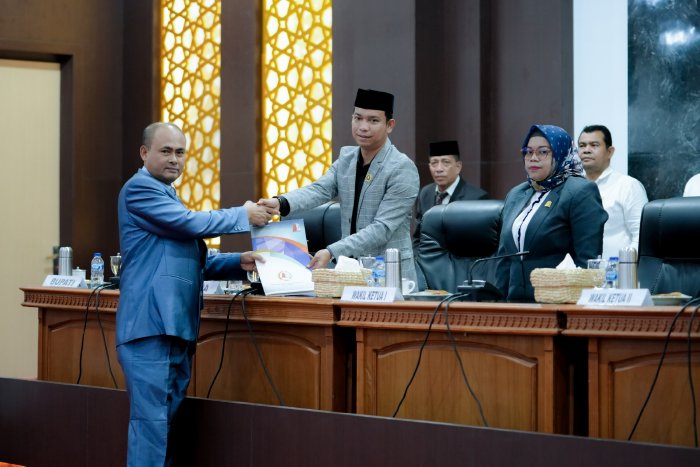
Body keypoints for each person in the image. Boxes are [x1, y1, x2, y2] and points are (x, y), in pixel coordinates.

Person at [116, 122, 273, 466]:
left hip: (173, 327)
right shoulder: (139, 189)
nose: (175, 159)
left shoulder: (166, 194)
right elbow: (190, 223)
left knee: (166, 426)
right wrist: (242, 215)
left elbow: (189, 255)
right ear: (144, 153)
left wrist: (239, 261)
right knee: (152, 427)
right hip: (149, 326)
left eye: (180, 152)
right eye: (166, 151)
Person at [258, 88, 420, 281]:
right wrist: (281, 202)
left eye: (373, 120)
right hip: (350, 273)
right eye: (357, 118)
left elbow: (382, 228)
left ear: (390, 125)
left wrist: (332, 251)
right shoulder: (346, 159)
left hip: (391, 277)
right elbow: (319, 190)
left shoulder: (402, 168)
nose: (363, 127)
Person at [495, 124, 607, 302]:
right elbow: (503, 259)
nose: (533, 158)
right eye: (528, 151)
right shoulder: (516, 194)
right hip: (514, 305)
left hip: (558, 305)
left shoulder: (579, 191)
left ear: (560, 153)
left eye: (543, 152)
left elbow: (587, 260)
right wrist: (495, 305)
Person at [578, 125, 648, 260]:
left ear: (610, 151)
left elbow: (641, 236)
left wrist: (624, 269)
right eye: (582, 145)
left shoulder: (628, 186)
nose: (586, 150)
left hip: (618, 276)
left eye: (594, 145)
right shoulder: (573, 188)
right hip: (581, 276)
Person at [412, 140, 488, 247]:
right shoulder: (425, 193)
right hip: (427, 260)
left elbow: (479, 243)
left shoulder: (476, 198)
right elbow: (418, 237)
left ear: (458, 166)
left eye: (446, 162)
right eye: (434, 163)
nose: (439, 169)